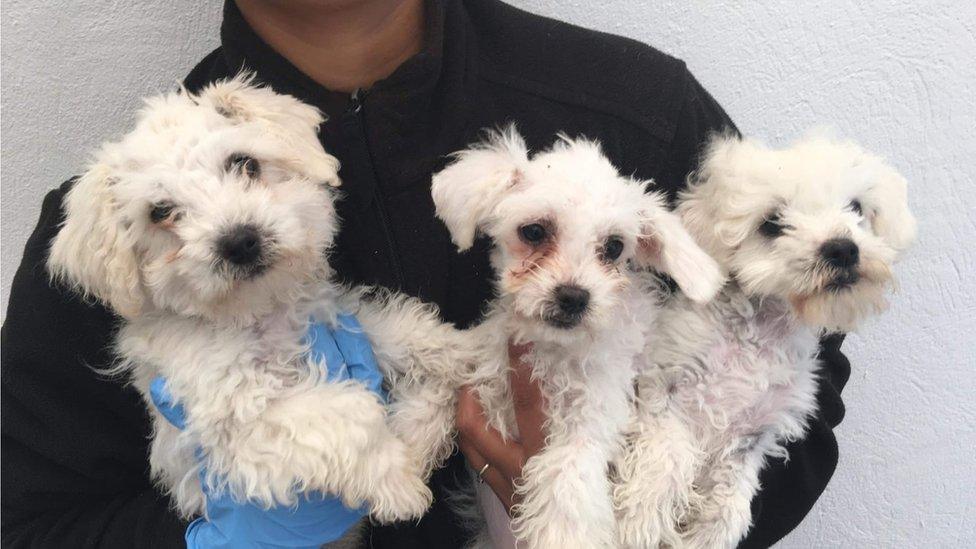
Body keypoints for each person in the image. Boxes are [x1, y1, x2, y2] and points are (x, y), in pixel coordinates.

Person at [0, 0, 851, 547]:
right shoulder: (110, 230)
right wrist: (233, 534)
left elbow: (797, 388)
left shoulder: (640, 113)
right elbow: (32, 523)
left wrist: (649, 517)